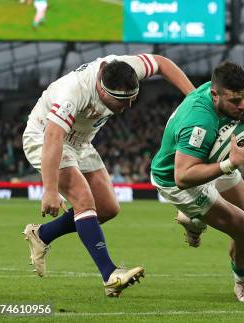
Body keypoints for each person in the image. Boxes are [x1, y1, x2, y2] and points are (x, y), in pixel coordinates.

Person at [22, 53, 196, 297]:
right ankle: (110, 274)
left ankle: (42, 234)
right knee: (84, 200)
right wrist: (50, 190)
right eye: (121, 102)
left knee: (107, 208)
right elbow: (53, 137)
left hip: (81, 142)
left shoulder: (126, 68)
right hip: (45, 138)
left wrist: (194, 97)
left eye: (132, 99)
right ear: (102, 92)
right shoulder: (74, 92)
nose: (128, 106)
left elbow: (162, 63)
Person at [150, 61, 244, 303]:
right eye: (235, 101)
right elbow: (182, 177)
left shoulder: (220, 90)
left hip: (211, 155)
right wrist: (230, 164)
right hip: (178, 179)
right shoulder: (199, 123)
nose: (242, 105)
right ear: (214, 95)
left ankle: (193, 219)